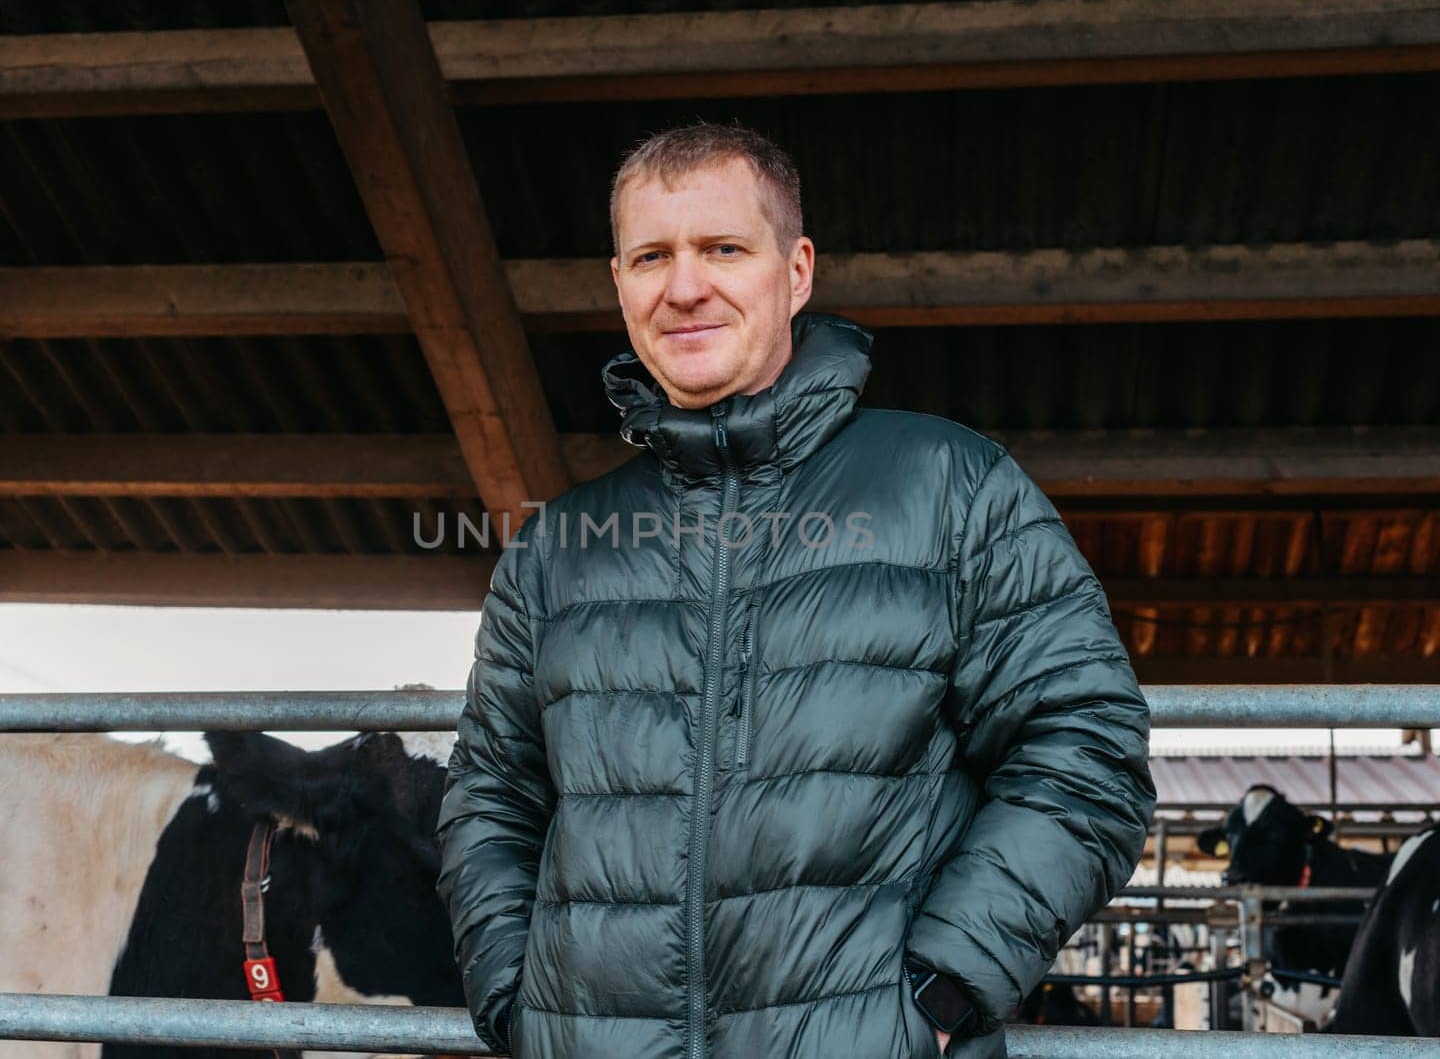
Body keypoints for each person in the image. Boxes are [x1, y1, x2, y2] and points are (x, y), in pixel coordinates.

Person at [436, 122, 1155, 1058]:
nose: (685, 286)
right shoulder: (559, 548)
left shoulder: (952, 487)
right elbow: (492, 794)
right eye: (652, 256)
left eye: (723, 249)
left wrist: (938, 998)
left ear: (798, 269)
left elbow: (1086, 748)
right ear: (620, 285)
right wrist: (516, 1001)